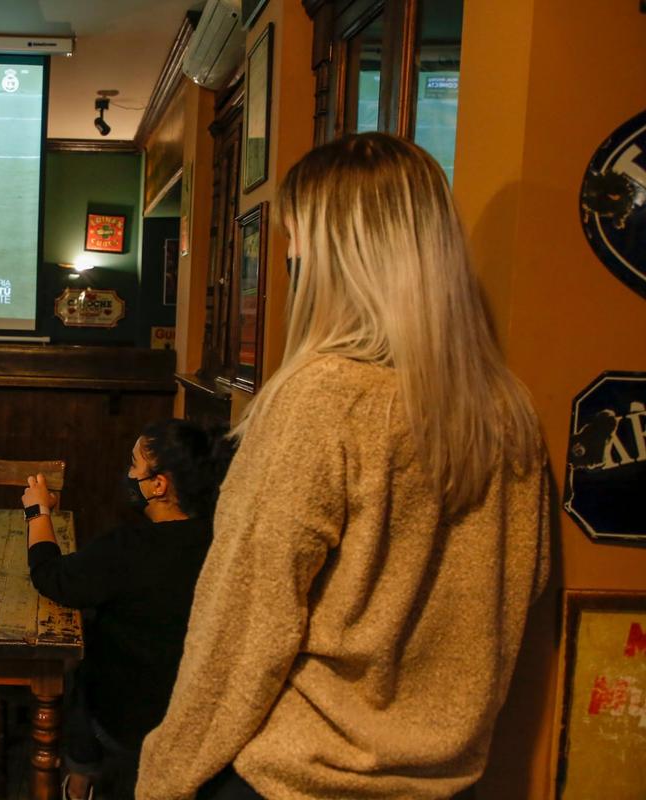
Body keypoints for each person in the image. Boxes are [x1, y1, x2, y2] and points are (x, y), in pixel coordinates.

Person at [136, 133, 551, 800]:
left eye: (296, 239)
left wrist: (164, 776)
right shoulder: (510, 413)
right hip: (446, 782)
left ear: (341, 255)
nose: (292, 257)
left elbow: (242, 626)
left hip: (296, 778)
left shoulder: (321, 399)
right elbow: (512, 601)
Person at [21, 419, 235, 800]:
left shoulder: (128, 548)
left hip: (128, 723)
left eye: (134, 464)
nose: (127, 473)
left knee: (74, 670)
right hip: (204, 720)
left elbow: (51, 577)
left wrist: (38, 512)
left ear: (159, 484)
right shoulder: (225, 542)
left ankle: (80, 781)